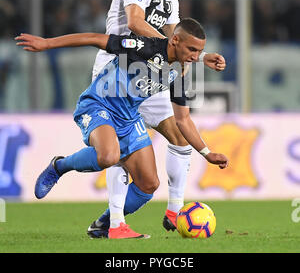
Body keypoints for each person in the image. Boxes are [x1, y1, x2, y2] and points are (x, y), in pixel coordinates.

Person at [16, 18, 229, 239]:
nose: (196, 57)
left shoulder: (178, 72)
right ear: (175, 40)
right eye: (192, 50)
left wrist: (206, 153)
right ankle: (60, 166)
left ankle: (104, 225)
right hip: (98, 105)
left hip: (128, 118)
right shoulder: (144, 47)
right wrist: (47, 44)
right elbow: (95, 38)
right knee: (109, 155)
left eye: (200, 51)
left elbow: (183, 120)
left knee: (148, 185)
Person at [86, 0, 226, 238]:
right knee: (122, 147)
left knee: (179, 135)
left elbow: (178, 41)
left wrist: (198, 59)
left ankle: (174, 212)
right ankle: (116, 222)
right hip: (117, 73)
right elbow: (136, 22)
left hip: (148, 75)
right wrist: (167, 51)